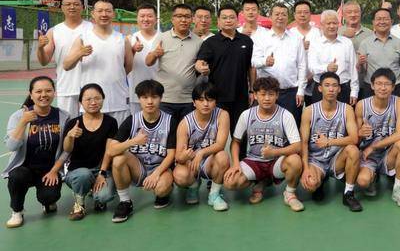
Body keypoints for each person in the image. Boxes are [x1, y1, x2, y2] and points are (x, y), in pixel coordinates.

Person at [223, 77, 305, 212]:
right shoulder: (246, 115)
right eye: (262, 94)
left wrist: (274, 152)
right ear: (255, 95)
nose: (267, 98)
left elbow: (297, 146)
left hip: (276, 162)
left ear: (277, 95)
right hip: (254, 161)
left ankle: (289, 193)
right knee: (230, 182)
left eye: (271, 94)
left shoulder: (285, 115)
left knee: (295, 160)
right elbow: (236, 142)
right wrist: (236, 164)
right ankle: (260, 183)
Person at [3, 76, 70, 228]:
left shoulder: (63, 116)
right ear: (31, 94)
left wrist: (54, 171)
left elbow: (67, 150)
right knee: (17, 176)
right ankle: (17, 211)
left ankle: (47, 201)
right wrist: (23, 122)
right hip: (25, 168)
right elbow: (12, 146)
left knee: (49, 197)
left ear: (54, 93)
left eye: (48, 91)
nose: (43, 95)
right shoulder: (18, 116)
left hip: (49, 170)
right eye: (38, 91)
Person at [108, 80, 177, 223]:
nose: (150, 101)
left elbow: (171, 154)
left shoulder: (170, 121)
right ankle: (125, 201)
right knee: (118, 158)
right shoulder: (132, 120)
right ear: (139, 99)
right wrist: (133, 141)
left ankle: (163, 194)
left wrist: (156, 174)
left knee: (161, 189)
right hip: (138, 168)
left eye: (154, 97)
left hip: (161, 168)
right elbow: (111, 150)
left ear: (161, 98)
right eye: (145, 97)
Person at [63, 0, 133, 125]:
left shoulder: (122, 39)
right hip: (91, 104)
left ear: (113, 14)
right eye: (100, 11)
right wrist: (79, 53)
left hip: (118, 101)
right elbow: (66, 65)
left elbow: (128, 67)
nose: (104, 14)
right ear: (93, 14)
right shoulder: (83, 38)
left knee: (118, 137)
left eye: (108, 11)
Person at [300, 72, 362, 212]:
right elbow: (303, 143)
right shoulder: (309, 111)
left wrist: (329, 141)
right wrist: (305, 168)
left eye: (334, 86)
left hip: (336, 158)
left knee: (353, 150)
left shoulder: (347, 109)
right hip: (316, 160)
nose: (331, 89)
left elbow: (354, 138)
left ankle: (348, 193)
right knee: (311, 184)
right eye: (327, 85)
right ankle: (320, 181)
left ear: (339, 89)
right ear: (320, 88)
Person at [355, 68, 400, 208]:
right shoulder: (362, 105)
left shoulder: (399, 102)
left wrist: (374, 146)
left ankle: (398, 189)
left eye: (387, 84)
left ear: (393, 87)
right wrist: (360, 133)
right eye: (379, 84)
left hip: (389, 153)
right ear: (372, 85)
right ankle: (373, 176)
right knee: (362, 181)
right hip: (369, 156)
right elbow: (355, 138)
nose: (383, 88)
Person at [62, 83, 118, 220]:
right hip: (78, 171)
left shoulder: (111, 122)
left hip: (101, 169)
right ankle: (79, 204)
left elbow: (109, 150)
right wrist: (70, 136)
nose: (93, 102)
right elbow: (67, 149)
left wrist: (102, 173)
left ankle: (97, 196)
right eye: (88, 99)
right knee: (84, 175)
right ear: (81, 102)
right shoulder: (73, 124)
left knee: (104, 196)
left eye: (97, 98)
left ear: (103, 99)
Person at [173, 82, 230, 211]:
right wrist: (185, 156)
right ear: (194, 102)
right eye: (201, 100)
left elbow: (220, 144)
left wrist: (201, 153)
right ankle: (193, 186)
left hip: (210, 160)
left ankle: (214, 195)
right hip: (191, 163)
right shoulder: (185, 123)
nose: (205, 104)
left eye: (210, 100)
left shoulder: (222, 115)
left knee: (223, 157)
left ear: (215, 102)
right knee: (179, 176)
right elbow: (179, 157)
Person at [197, 5, 254, 131]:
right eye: (224, 17)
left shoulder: (246, 41)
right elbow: (199, 62)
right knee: (217, 134)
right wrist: (201, 67)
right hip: (217, 98)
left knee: (240, 134)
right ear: (218, 21)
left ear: (237, 20)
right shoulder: (210, 42)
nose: (228, 20)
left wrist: (252, 91)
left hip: (240, 97)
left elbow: (251, 67)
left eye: (231, 17)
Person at [36, 0, 92, 117]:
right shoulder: (54, 31)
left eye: (76, 4)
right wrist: (40, 48)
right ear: (62, 7)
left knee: (91, 123)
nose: (72, 7)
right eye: (68, 4)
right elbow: (44, 61)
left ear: (82, 7)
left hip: (90, 84)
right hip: (66, 85)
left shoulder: (92, 29)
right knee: (68, 124)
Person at [146, 4, 203, 121]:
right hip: (165, 99)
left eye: (187, 16)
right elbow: (148, 62)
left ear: (192, 19)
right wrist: (155, 54)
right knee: (166, 131)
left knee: (186, 131)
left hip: (188, 100)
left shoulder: (198, 41)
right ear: (172, 19)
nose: (183, 20)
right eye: (179, 16)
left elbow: (200, 65)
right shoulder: (161, 38)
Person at [252, 3, 307, 125]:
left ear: (288, 17)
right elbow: (253, 61)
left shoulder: (296, 38)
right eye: (277, 14)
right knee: (267, 126)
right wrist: (264, 62)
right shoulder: (261, 37)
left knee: (291, 126)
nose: (280, 17)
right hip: (267, 92)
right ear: (270, 16)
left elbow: (302, 66)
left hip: (291, 93)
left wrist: (301, 91)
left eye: (283, 14)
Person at [307, 10, 358, 105]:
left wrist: (354, 91)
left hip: (343, 88)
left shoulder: (347, 43)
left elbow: (353, 69)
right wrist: (326, 68)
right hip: (321, 89)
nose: (332, 26)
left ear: (338, 24)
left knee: (344, 114)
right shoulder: (315, 43)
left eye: (334, 23)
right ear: (322, 25)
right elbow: (312, 67)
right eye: (328, 23)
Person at [357, 8, 400, 99]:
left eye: (385, 19)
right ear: (373, 22)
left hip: (395, 88)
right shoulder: (365, 43)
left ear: (391, 21)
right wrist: (360, 63)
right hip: (372, 89)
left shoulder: (399, 43)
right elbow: (361, 71)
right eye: (379, 19)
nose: (382, 22)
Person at [128, 4, 159, 114]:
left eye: (149, 16)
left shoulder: (164, 38)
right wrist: (133, 50)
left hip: (159, 94)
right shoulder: (130, 39)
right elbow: (124, 65)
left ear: (156, 19)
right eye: (142, 16)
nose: (146, 19)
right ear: (137, 18)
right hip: (136, 94)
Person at [290, 0, 322, 106]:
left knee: (313, 110)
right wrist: (300, 48)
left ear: (310, 14)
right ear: (294, 15)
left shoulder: (318, 33)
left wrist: (311, 76)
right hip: (295, 82)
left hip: (315, 80)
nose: (302, 15)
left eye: (305, 12)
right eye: (299, 12)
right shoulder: (290, 34)